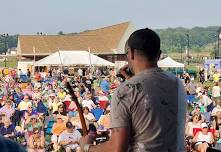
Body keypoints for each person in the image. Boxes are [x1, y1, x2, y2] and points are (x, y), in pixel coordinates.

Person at [80, 28, 186, 152]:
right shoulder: (177, 84)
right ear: (159, 54)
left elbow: (117, 148)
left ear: (131, 53)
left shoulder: (125, 91)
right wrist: (133, 81)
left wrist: (87, 147)